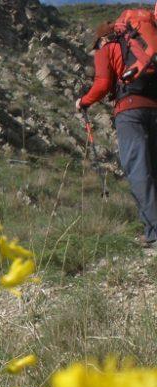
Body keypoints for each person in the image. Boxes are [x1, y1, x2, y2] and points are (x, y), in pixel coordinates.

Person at [78, 20, 157, 250]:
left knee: (138, 170)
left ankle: (155, 231)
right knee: (152, 168)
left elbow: (102, 84)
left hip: (130, 113)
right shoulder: (142, 47)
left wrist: (82, 101)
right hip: (154, 108)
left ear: (103, 38)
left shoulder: (107, 49)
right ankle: (150, 231)